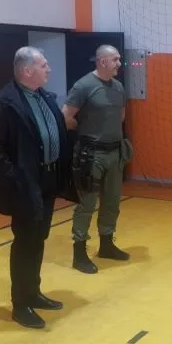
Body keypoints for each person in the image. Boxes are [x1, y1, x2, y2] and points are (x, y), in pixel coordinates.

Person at [0, 46, 73, 329]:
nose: (49, 69)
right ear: (26, 70)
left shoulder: (44, 96)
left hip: (47, 180)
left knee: (38, 238)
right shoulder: (3, 102)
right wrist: (17, 178)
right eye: (44, 65)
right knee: (24, 242)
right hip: (24, 185)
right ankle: (20, 304)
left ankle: (33, 292)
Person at [62, 44, 132, 274]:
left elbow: (121, 116)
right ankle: (79, 253)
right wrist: (86, 130)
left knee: (112, 202)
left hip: (115, 153)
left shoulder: (118, 87)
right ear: (102, 62)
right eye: (115, 60)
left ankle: (107, 245)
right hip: (91, 155)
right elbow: (66, 116)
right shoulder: (83, 86)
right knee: (87, 204)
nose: (119, 64)